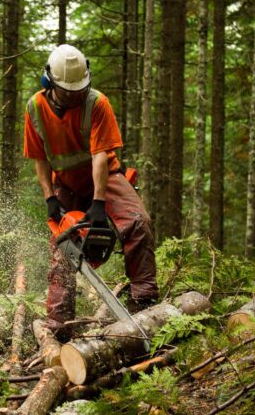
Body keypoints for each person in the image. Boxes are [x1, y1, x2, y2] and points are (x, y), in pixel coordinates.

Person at [23, 44, 159, 342]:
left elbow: (100, 156)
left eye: (78, 91)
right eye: (68, 92)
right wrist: (50, 197)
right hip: (66, 183)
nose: (75, 96)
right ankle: (59, 326)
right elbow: (40, 158)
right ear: (50, 83)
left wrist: (98, 204)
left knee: (138, 222)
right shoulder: (35, 108)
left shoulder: (97, 103)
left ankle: (144, 302)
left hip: (104, 174)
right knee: (62, 248)